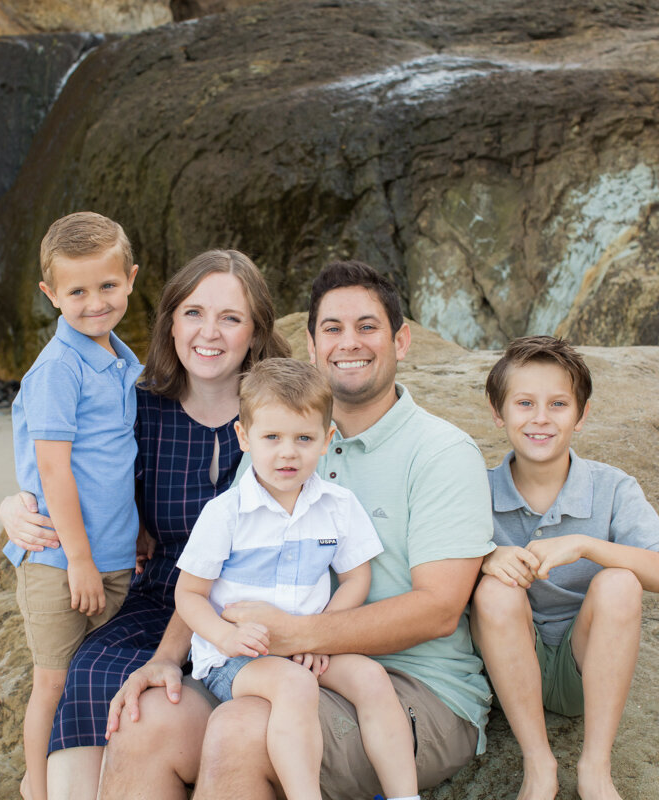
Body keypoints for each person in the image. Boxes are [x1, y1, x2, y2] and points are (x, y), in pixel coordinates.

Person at [101, 260, 495, 800]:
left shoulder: (440, 453)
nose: (348, 342)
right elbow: (213, 571)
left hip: (410, 688)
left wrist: (299, 634)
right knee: (146, 720)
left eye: (367, 326)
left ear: (402, 341)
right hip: (271, 662)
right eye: (332, 328)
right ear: (310, 345)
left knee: (242, 732)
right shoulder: (275, 442)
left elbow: (439, 609)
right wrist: (166, 659)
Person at [0, 249, 291, 800]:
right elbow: (76, 466)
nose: (209, 332)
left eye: (230, 317)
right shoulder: (140, 404)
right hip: (158, 596)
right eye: (193, 313)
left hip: (248, 609)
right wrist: (13, 507)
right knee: (87, 673)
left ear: (255, 333)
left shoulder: (280, 420)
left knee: (165, 701)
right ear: (171, 322)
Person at [175, 358, 418, 800]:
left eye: (303, 438)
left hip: (310, 647)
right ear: (245, 437)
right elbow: (189, 594)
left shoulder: (338, 505)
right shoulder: (226, 514)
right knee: (293, 684)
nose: (287, 452)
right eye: (272, 438)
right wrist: (224, 638)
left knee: (371, 678)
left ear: (326, 440)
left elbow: (356, 579)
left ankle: (405, 795)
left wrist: (320, 637)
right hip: (237, 658)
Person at [472, 335, 659, 800]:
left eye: (558, 404)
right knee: (493, 589)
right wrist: (487, 557)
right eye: (524, 403)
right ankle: (538, 762)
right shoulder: (475, 490)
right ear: (497, 411)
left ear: (581, 415)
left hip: (582, 669)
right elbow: (434, 569)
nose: (541, 418)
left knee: (621, 584)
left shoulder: (612, 487)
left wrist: (587, 545)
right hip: (505, 670)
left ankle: (595, 767)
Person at [4, 212, 143, 800]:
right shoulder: (59, 368)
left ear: (131, 280)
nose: (94, 302)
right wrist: (81, 559)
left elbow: (116, 461)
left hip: (115, 557)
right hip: (61, 561)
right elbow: (55, 468)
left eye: (107, 286)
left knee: (101, 682)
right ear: (50, 295)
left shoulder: (121, 357)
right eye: (76, 291)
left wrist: (135, 535)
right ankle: (36, 788)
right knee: (55, 682)